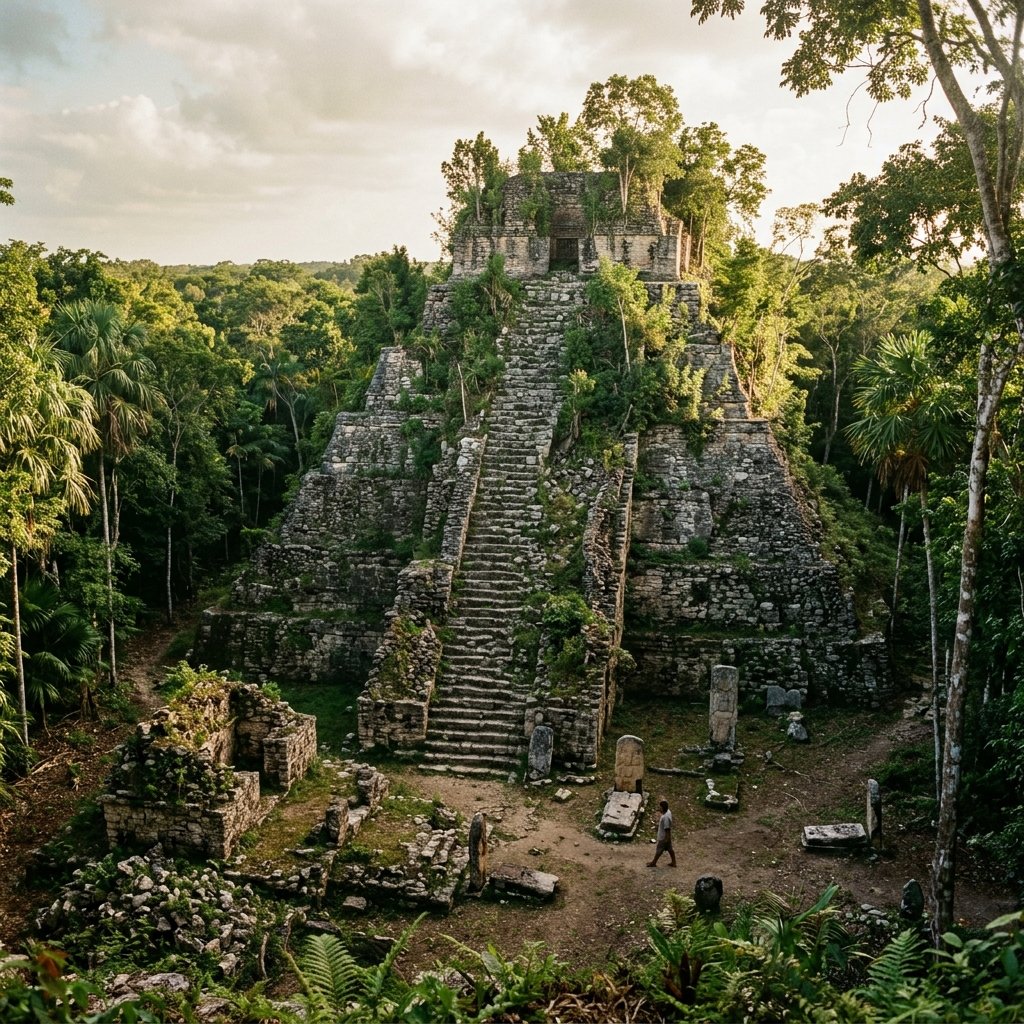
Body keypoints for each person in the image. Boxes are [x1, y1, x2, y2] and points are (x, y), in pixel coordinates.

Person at [647, 798, 676, 867]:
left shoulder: (665, 817)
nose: (659, 808)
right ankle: (673, 862)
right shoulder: (668, 812)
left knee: (659, 850)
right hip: (666, 837)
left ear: (663, 807)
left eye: (660, 807)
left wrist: (666, 839)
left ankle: (653, 863)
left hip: (663, 837)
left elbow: (667, 829)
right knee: (670, 849)